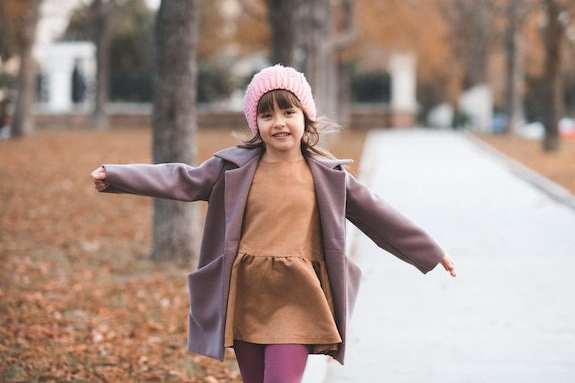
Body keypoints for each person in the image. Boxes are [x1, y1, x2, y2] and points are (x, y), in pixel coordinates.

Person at [90, 64, 456, 383]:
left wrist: (430, 251)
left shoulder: (328, 176)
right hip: (246, 293)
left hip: (298, 296)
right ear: (256, 123)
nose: (278, 122)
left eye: (288, 112)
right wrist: (116, 176)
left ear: (305, 118)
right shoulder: (233, 168)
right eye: (267, 116)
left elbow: (377, 214)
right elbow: (181, 179)